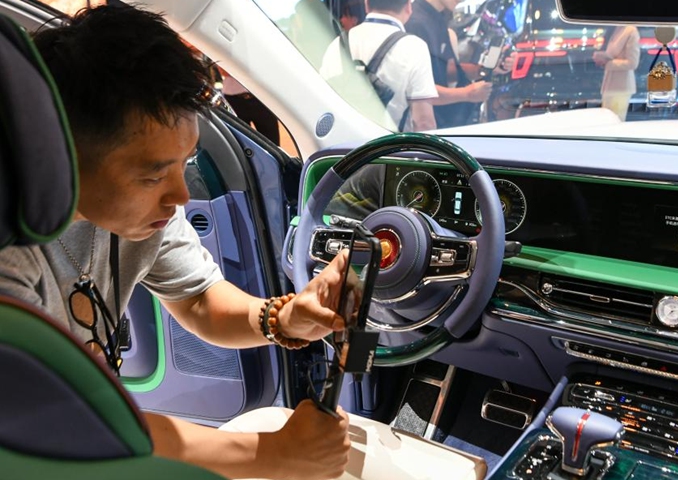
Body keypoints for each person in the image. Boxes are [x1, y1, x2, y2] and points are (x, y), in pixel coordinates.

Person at [0, 5, 350, 480]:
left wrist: (283, 318)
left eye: (183, 164)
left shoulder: (140, 219)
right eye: (154, 174)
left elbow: (201, 301)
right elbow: (49, 422)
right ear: (61, 152)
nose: (181, 197)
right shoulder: (11, 254)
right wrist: (271, 455)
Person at [321, 0, 439, 132]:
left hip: (342, 145)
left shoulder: (337, 43)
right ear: (408, 8)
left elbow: (322, 102)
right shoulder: (414, 47)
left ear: (366, 4)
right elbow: (423, 122)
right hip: (388, 148)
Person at [405, 0, 516, 128]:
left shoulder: (437, 17)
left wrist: (485, 69)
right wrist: (467, 94)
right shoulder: (416, 22)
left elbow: (446, 70)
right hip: (433, 127)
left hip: (448, 122)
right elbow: (417, 89)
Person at [592, 25, 641, 122]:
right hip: (609, 86)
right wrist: (603, 57)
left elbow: (632, 63)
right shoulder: (616, 29)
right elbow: (612, 55)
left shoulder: (630, 31)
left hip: (621, 87)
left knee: (615, 122)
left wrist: (608, 63)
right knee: (606, 122)